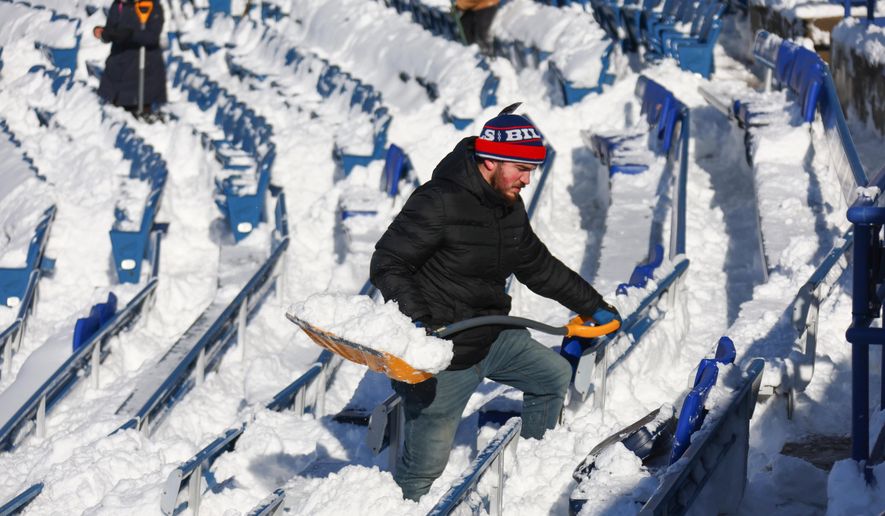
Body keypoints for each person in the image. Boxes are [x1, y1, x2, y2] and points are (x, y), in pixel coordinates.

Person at [369, 111, 620, 501]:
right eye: (521, 168)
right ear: (490, 160)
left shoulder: (508, 204)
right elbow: (388, 262)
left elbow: (536, 264)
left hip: (490, 336)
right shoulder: (438, 201)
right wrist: (419, 322)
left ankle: (530, 477)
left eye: (532, 169)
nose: (528, 178)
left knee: (551, 375)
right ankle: (403, 507)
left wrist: (593, 306)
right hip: (443, 353)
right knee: (423, 471)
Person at [93, 0, 167, 119]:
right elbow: (111, 29)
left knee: (136, 109)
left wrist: (130, 35)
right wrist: (104, 33)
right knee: (115, 113)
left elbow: (152, 36)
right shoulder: (118, 6)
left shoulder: (151, 5)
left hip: (143, 67)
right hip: (118, 64)